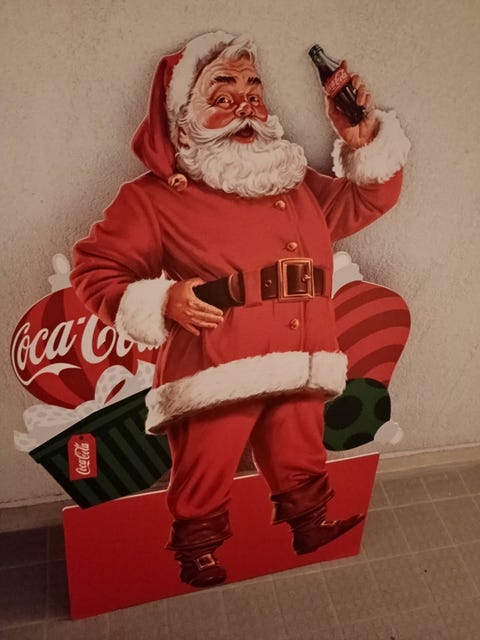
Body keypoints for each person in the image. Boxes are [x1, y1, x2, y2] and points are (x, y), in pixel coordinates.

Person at [71, 31, 410, 588]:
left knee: (298, 443)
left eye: (254, 90)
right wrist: (162, 301)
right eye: (223, 94)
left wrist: (360, 138)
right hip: (215, 361)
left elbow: (365, 199)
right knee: (208, 457)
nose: (246, 105)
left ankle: (309, 523)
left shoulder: (292, 182)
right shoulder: (153, 198)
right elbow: (96, 268)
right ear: (183, 116)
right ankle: (197, 551)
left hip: (301, 350)